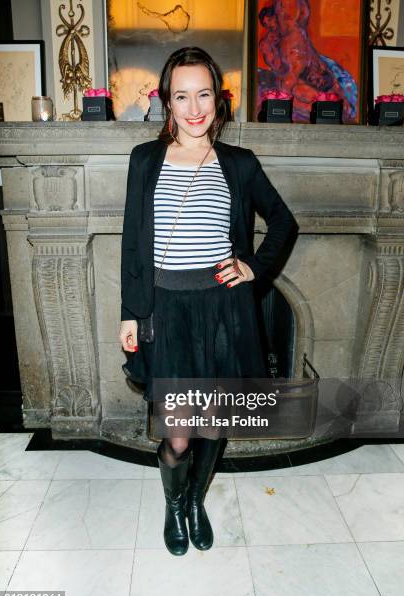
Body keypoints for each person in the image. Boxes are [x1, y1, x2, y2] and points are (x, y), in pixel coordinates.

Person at [119, 46, 299, 556]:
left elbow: (283, 222)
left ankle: (196, 501)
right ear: (166, 101)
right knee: (178, 434)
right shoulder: (145, 160)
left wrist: (253, 268)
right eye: (182, 96)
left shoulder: (239, 164)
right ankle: (176, 506)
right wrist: (130, 313)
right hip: (166, 310)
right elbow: (133, 241)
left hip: (224, 312)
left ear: (218, 100)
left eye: (203, 94)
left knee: (214, 423)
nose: (194, 108)